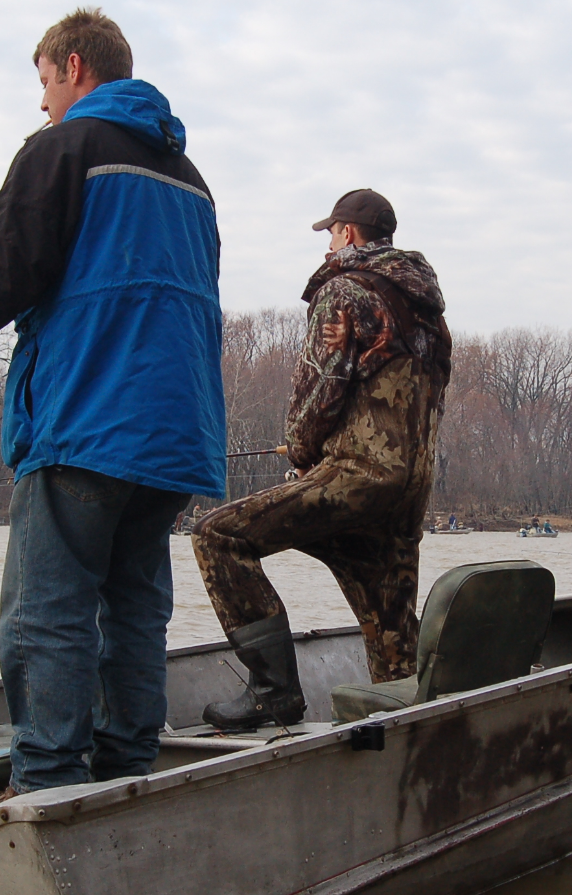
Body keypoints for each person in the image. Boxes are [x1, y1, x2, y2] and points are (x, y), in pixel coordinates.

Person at [0, 10, 225, 807]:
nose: (42, 102)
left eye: (44, 82)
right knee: (135, 610)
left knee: (45, 616)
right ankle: (126, 776)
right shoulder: (191, 179)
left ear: (73, 67)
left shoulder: (63, 149)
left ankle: (45, 788)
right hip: (175, 438)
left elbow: (11, 262)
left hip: (87, 422)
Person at [193, 188, 450, 728]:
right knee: (393, 636)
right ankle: (414, 730)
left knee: (218, 536)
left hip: (357, 476)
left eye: (330, 233)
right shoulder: (428, 313)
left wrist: (304, 449)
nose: (327, 245)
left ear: (349, 234)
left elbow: (321, 388)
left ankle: (273, 690)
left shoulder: (344, 292)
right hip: (407, 491)